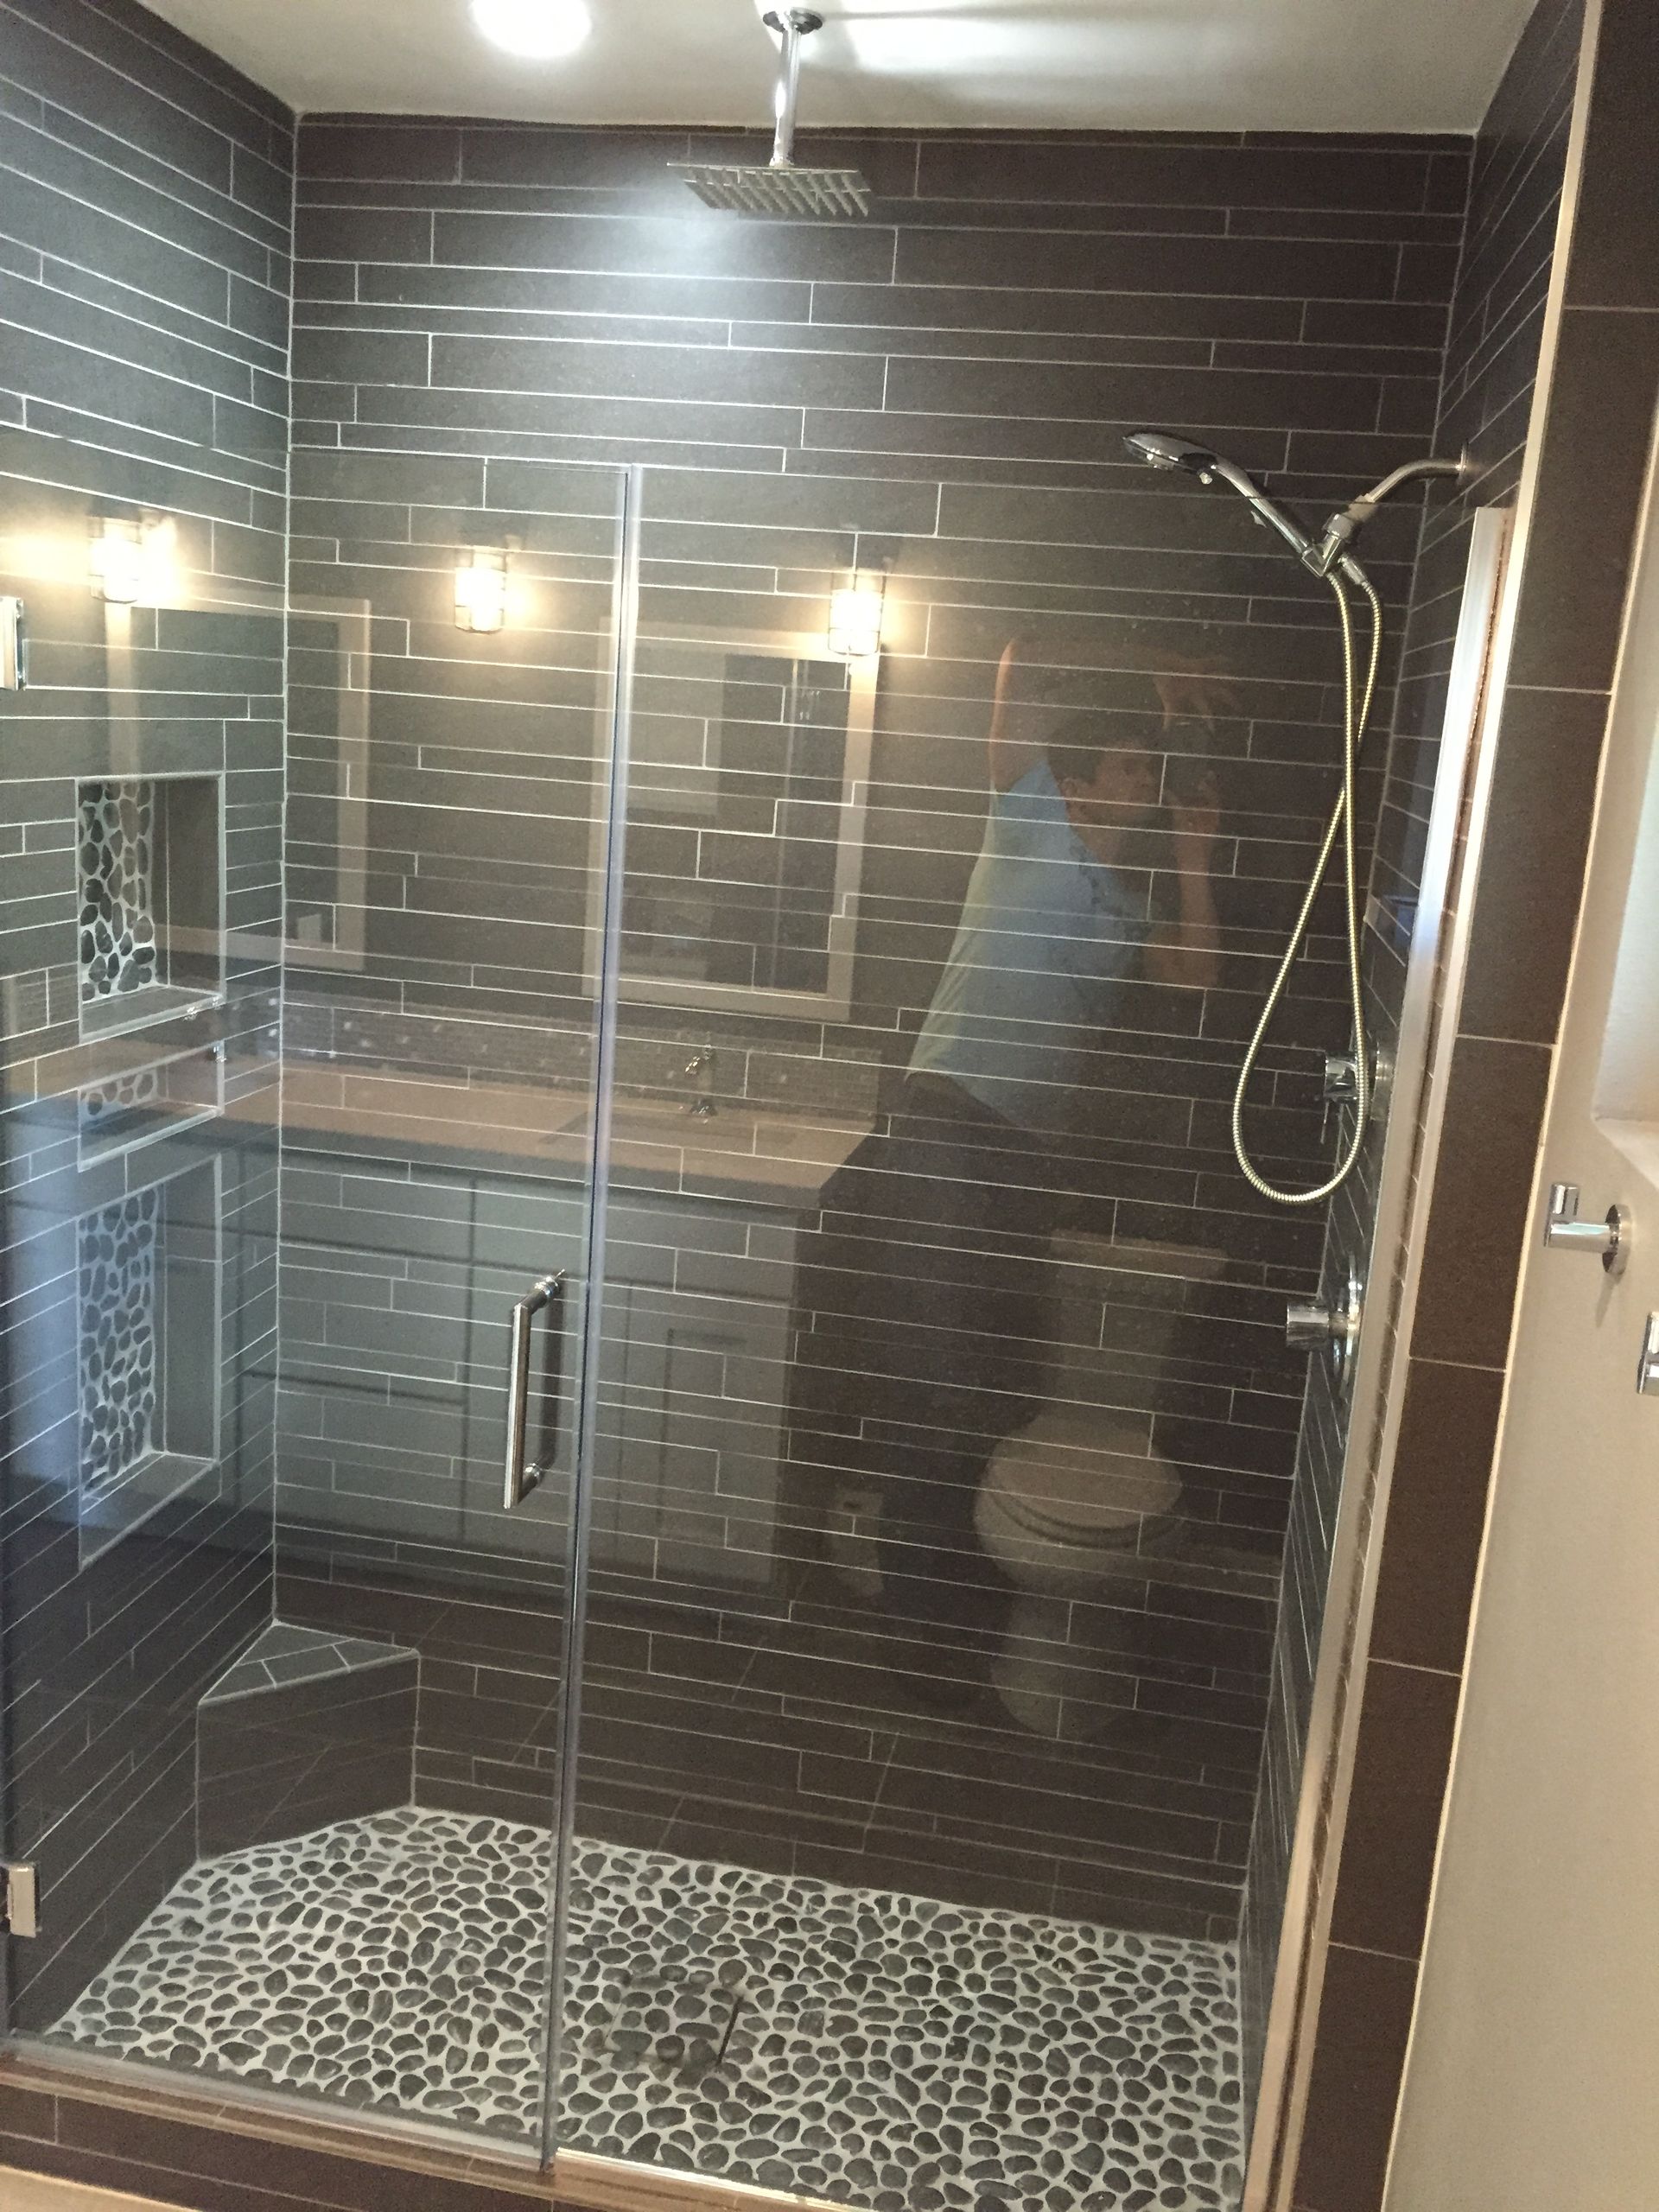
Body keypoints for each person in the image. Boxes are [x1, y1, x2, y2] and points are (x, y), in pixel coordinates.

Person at [791, 638, 1224, 1668]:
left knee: (988, 1374)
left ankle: (944, 1599)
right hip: (943, 1122)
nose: (1146, 782)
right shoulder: (1028, 818)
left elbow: (1198, 972)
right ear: (1077, 783)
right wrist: (1155, 697)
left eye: (1149, 771)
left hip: (1028, 1150)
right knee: (936, 1371)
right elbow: (1022, 672)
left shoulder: (1135, 903)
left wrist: (1197, 851)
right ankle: (918, 1626)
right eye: (1128, 768)